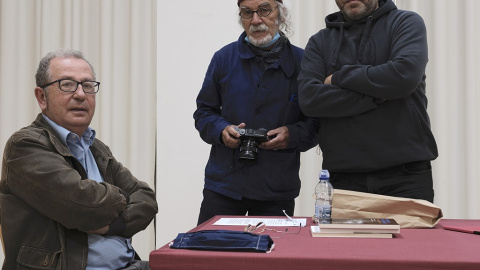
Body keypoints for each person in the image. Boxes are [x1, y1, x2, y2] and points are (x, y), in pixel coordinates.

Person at [0, 50, 158, 270]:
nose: (81, 94)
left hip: (127, 264)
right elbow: (86, 206)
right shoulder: (25, 146)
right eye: (67, 84)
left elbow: (147, 199)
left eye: (88, 85)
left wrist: (110, 225)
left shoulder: (95, 146)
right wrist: (122, 196)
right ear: (42, 97)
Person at [298, 0, 438, 202]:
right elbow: (309, 99)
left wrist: (338, 78)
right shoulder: (320, 41)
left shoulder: (405, 23)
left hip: (405, 177)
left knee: (414, 236)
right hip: (343, 178)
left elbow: (404, 75)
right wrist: (377, 94)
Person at [193, 0, 319, 225]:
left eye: (264, 10)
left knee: (272, 257)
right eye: (247, 13)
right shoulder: (223, 59)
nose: (256, 20)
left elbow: (317, 122)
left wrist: (291, 135)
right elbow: (203, 113)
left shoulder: (303, 63)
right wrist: (222, 130)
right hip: (224, 185)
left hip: (276, 188)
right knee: (211, 255)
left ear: (280, 14)